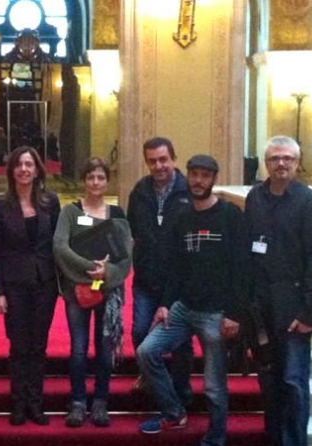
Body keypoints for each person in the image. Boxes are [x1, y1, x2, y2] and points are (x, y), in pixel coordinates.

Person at [137, 155, 248, 446]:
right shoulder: (181, 216)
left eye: (205, 176)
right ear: (187, 176)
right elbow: (176, 267)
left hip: (216, 313)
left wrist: (235, 313)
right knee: (146, 351)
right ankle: (174, 413)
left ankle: (216, 438)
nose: (198, 181)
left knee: (213, 386)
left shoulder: (230, 215)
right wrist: (165, 304)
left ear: (214, 179)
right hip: (183, 308)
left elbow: (242, 267)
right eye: (194, 174)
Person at [245, 136, 312, 446]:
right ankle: (274, 438)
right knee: (268, 378)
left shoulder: (309, 202)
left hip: (294, 305)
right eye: (274, 158)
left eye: (287, 158)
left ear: (297, 162)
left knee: (293, 381)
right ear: (266, 163)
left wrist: (308, 313)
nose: (281, 163)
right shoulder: (255, 198)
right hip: (261, 304)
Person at [53, 157, 132, 428]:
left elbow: (126, 257)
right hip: (77, 291)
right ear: (84, 180)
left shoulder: (117, 214)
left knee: (105, 349)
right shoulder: (70, 212)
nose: (95, 182)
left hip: (109, 293)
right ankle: (77, 402)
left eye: (100, 177)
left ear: (107, 181)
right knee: (78, 349)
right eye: (91, 177)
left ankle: (100, 402)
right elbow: (60, 247)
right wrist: (90, 269)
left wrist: (106, 273)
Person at [0, 146, 61, 426]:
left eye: (29, 164)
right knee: (19, 346)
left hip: (45, 284)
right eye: (19, 164)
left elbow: (59, 244)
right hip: (14, 285)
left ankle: (36, 403)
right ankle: (18, 404)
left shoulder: (50, 201)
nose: (24, 169)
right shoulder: (0, 204)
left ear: (37, 169)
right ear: (12, 170)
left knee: (38, 346)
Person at [126, 136, 193, 404]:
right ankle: (152, 380)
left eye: (163, 159)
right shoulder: (140, 191)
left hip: (180, 282)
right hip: (146, 279)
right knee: (140, 331)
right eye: (152, 161)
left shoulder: (189, 192)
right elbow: (133, 232)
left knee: (180, 340)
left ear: (173, 159)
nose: (158, 166)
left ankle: (181, 391)